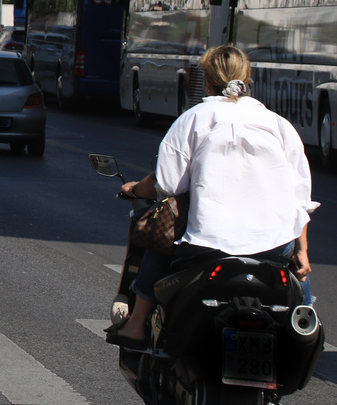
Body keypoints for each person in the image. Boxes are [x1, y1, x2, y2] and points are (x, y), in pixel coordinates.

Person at [108, 46, 316, 348]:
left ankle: (137, 325)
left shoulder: (193, 119)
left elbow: (166, 184)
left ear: (206, 81)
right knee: (300, 287)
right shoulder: (279, 125)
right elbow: (300, 200)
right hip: (274, 246)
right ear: (249, 79)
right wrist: (302, 251)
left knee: (159, 240)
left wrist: (134, 189)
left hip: (207, 243)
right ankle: (307, 326)